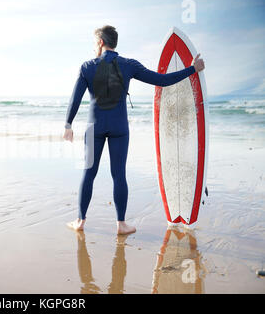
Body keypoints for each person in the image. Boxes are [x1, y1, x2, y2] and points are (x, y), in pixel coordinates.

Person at [64, 25, 205, 234]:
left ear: (101, 42)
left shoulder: (87, 66)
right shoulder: (129, 65)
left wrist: (68, 124)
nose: (95, 46)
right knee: (119, 174)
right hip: (119, 127)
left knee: (89, 172)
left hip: (95, 127)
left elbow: (75, 98)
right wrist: (192, 69)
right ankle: (121, 224)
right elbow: (162, 80)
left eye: (95, 42)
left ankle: (80, 221)